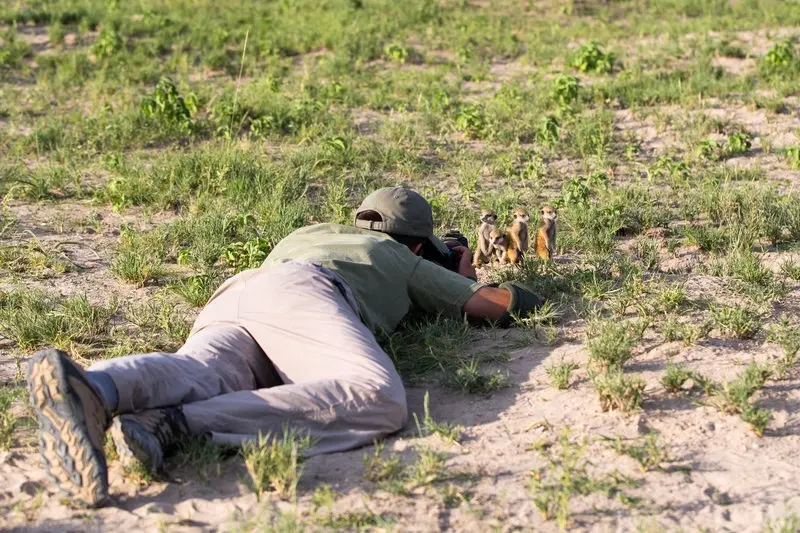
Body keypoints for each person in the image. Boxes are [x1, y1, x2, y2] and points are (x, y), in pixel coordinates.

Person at [26, 186, 542, 507]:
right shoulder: (399, 255)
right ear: (415, 245)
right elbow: (492, 306)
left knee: (201, 370)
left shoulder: (310, 231)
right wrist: (464, 274)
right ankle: (177, 424)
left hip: (241, 291)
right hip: (305, 295)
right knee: (378, 397)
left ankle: (96, 386)